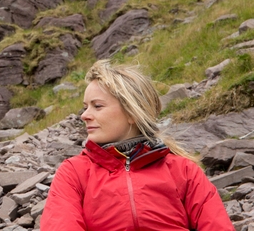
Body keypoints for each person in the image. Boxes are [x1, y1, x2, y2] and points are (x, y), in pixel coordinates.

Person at [40, 60, 234, 230]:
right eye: (85, 107)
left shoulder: (184, 171)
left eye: (97, 106)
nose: (84, 115)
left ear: (132, 113)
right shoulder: (74, 173)